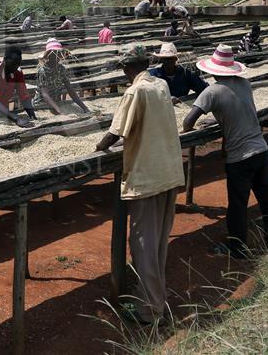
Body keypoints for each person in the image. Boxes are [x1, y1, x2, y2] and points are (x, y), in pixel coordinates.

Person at [94, 44, 184, 325]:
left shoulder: (136, 91)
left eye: (123, 68)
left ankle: (150, 310)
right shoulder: (161, 86)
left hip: (147, 177)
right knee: (158, 243)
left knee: (143, 244)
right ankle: (153, 298)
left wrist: (97, 149)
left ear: (127, 68)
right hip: (169, 171)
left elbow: (115, 131)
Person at [182, 45, 268, 259]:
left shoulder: (211, 92)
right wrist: (218, 118)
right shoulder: (245, 84)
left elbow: (188, 122)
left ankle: (237, 249)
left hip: (240, 158)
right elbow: (237, 110)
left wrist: (199, 123)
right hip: (261, 149)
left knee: (237, 205)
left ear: (213, 69)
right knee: (267, 200)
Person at [36, 39, 89, 115]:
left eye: (59, 54)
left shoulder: (61, 69)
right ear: (49, 55)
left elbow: (70, 90)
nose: (57, 57)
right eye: (55, 54)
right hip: (42, 105)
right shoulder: (43, 71)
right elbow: (45, 95)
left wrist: (84, 108)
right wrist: (59, 111)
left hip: (57, 103)